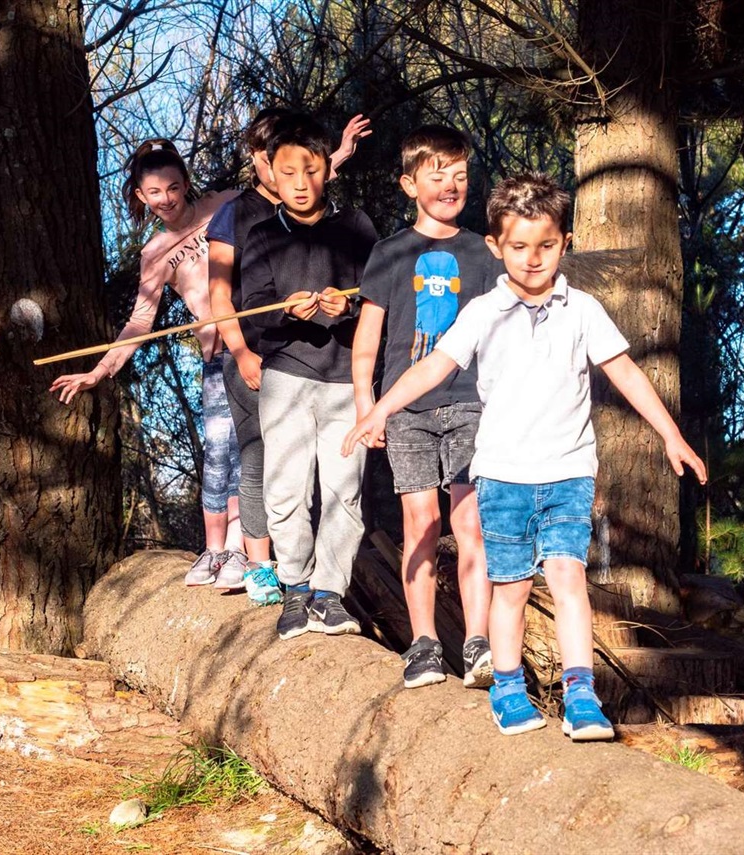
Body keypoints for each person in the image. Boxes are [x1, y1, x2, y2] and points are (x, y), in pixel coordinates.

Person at [342, 173, 707, 741]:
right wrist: (378, 409)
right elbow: (434, 367)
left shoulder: (583, 309)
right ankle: (507, 686)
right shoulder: (484, 311)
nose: (533, 259)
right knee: (509, 586)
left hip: (568, 470)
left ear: (566, 241)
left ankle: (580, 692)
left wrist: (670, 434)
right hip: (503, 475)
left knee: (568, 576)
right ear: (495, 248)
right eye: (518, 247)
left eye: (545, 245)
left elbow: (625, 371)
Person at [50, 140, 247, 588]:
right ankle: (213, 550)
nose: (167, 199)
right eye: (155, 192)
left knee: (250, 452)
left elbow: (284, 188)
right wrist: (98, 372)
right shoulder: (155, 254)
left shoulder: (225, 205)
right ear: (141, 195)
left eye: (174, 188)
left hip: (257, 344)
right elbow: (140, 322)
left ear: (186, 184)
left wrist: (335, 159)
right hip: (217, 357)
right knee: (218, 451)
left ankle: (240, 546)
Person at [350, 125, 497, 690]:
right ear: (410, 183)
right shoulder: (389, 254)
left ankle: (479, 641)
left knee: (470, 522)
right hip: (406, 411)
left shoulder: (484, 253)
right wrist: (370, 407)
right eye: (438, 175)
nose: (451, 185)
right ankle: (425, 644)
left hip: (470, 404)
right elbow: (368, 340)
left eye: (461, 175)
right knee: (422, 523)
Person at [207, 109, 371, 605]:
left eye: (312, 171)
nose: (301, 184)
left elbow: (378, 297)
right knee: (279, 483)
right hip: (280, 370)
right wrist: (269, 328)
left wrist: (352, 305)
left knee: (344, 490)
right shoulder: (253, 228)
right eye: (288, 172)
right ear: (268, 170)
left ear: (327, 169)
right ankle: (289, 581)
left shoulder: (356, 225)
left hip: (345, 376)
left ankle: (330, 592)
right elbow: (248, 306)